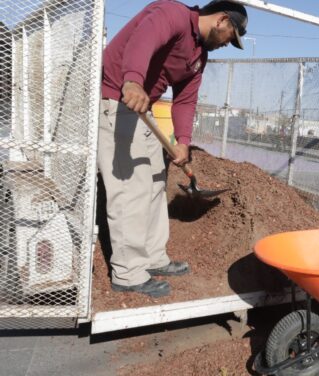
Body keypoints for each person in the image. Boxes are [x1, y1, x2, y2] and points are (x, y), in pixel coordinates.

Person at [99, 0, 248, 298]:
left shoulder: (198, 55)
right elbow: (143, 39)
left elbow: (185, 100)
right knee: (131, 189)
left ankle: (153, 257)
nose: (228, 44)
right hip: (117, 98)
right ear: (221, 20)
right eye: (231, 36)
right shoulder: (173, 14)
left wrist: (182, 141)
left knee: (155, 182)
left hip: (143, 108)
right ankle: (128, 272)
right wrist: (132, 80)